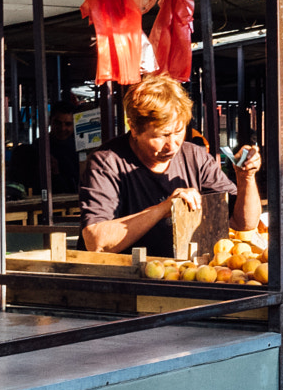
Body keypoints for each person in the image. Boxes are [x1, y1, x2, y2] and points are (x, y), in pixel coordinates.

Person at [80, 74, 261, 255]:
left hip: (181, 273)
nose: (173, 144)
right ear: (133, 128)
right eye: (161, 135)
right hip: (124, 277)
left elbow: (243, 223)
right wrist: (164, 208)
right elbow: (96, 241)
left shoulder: (196, 157)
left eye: (178, 131)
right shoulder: (106, 163)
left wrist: (246, 178)